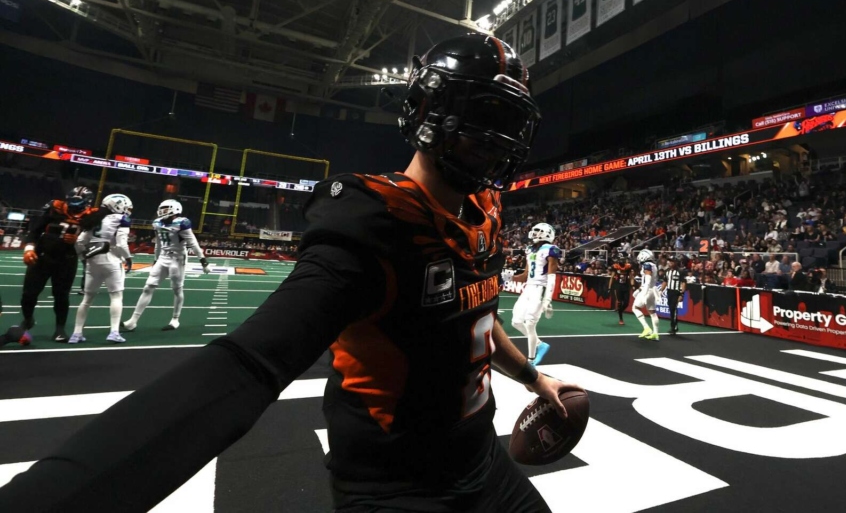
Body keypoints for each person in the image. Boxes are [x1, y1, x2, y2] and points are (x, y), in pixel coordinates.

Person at [0, 33, 581, 513]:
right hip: (399, 487)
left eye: (507, 121)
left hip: (481, 460)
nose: (494, 139)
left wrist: (535, 379)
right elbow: (250, 363)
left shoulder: (484, 212)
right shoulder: (379, 223)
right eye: (481, 115)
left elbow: (474, 317)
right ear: (429, 111)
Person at [19, 186, 98, 343]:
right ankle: (28, 319)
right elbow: (35, 231)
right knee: (29, 294)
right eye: (72, 201)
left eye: (78, 202)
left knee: (61, 296)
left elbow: (96, 242)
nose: (74, 206)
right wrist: (29, 249)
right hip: (42, 256)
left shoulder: (91, 217)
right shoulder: (55, 209)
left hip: (67, 259)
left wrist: (78, 241)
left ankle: (60, 329)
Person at [123, 199, 210, 332]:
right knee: (148, 287)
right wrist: (155, 259)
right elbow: (158, 243)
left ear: (175, 209)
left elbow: (193, 243)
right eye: (162, 208)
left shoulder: (181, 223)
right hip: (163, 257)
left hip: (177, 258)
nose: (162, 211)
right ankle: (133, 321)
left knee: (177, 289)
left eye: (166, 208)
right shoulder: (157, 223)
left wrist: (203, 261)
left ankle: (175, 319)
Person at [70, 194, 134, 344]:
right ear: (117, 205)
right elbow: (121, 244)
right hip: (111, 260)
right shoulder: (120, 219)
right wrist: (128, 258)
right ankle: (114, 332)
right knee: (116, 297)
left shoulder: (94, 218)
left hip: (93, 262)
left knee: (86, 300)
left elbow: (79, 242)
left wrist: (83, 258)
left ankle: (76, 333)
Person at [511, 222, 560, 365]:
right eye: (535, 230)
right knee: (516, 321)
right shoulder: (530, 249)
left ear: (547, 233)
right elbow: (525, 275)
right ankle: (540, 344)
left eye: (539, 231)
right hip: (529, 287)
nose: (535, 233)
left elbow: (551, 277)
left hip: (541, 288)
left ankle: (531, 360)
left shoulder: (551, 249)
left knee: (530, 323)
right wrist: (509, 277)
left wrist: (547, 299)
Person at [632, 248, 660, 340]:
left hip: (647, 290)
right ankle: (656, 333)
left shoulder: (647, 265)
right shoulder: (654, 265)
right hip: (652, 290)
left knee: (635, 308)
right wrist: (639, 289)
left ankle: (646, 328)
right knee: (652, 312)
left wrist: (643, 294)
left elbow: (647, 281)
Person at [662, 256, 684, 335]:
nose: (670, 263)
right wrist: (661, 290)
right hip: (669, 291)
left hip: (676, 292)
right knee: (671, 309)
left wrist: (681, 294)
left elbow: (683, 283)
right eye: (670, 261)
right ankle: (674, 326)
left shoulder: (680, 271)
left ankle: (674, 327)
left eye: (672, 261)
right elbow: (665, 281)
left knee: (673, 309)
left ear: (676, 262)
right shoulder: (667, 271)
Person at [611, 253, 634, 325]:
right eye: (621, 259)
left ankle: (620, 311)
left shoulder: (628, 267)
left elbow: (631, 277)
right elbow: (612, 277)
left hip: (626, 286)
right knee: (620, 302)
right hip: (618, 286)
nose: (622, 261)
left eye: (623, 259)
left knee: (626, 303)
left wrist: (632, 285)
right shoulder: (615, 267)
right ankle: (621, 318)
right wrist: (610, 286)